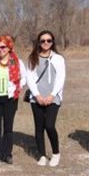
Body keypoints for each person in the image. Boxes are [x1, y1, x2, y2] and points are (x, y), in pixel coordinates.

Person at [0, 35, 27, 165]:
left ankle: (7, 154)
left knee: (8, 128)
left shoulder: (17, 63)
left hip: (10, 99)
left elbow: (24, 77)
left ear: (9, 47)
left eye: (3, 47)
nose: (0, 49)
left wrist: (17, 88)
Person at [26, 30, 66, 167]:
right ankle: (42, 155)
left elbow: (61, 78)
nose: (46, 43)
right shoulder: (33, 57)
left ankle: (56, 153)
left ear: (53, 42)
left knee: (49, 125)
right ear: (39, 42)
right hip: (36, 98)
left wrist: (52, 95)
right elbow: (30, 78)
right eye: (43, 41)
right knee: (39, 127)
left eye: (49, 40)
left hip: (53, 98)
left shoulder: (58, 58)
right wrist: (37, 95)